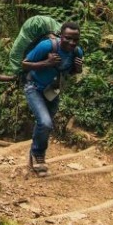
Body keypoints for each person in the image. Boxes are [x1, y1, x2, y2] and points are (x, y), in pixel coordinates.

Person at [21, 21, 84, 174]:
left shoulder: (77, 52)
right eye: (68, 38)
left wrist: (78, 69)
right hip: (33, 87)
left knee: (44, 124)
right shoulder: (46, 46)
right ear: (60, 36)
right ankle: (38, 155)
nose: (71, 42)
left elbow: (69, 72)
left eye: (75, 39)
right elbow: (24, 64)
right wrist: (46, 62)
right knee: (45, 122)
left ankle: (34, 157)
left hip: (53, 91)